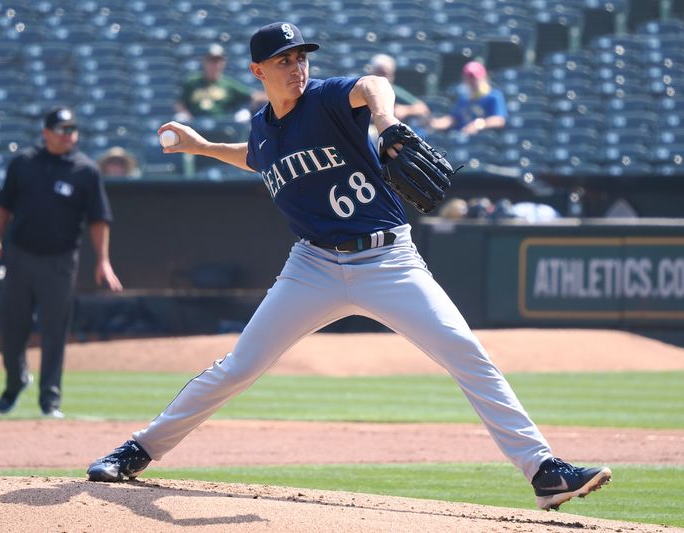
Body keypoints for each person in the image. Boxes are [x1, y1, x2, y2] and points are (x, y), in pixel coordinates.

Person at [86, 22, 611, 511]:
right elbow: (256, 155)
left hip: (389, 259)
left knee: (468, 355)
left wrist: (385, 121)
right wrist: (202, 147)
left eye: (299, 56)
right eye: (282, 60)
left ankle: (543, 471)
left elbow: (375, 83)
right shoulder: (265, 131)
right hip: (311, 267)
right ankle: (138, 449)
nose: (296, 67)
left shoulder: (328, 99)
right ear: (257, 72)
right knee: (238, 368)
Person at [0, 106, 123, 418]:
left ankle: (50, 399)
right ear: (46, 132)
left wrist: (103, 260)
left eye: (72, 130)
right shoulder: (23, 163)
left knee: (54, 331)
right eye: (62, 130)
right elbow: (3, 206)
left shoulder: (85, 170)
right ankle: (15, 380)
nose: (68, 136)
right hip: (20, 256)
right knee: (13, 329)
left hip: (60, 261)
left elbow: (98, 219)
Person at [175, 43, 268, 123]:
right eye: (211, 61)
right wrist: (185, 114)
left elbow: (253, 96)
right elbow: (179, 103)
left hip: (223, 125)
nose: (214, 65)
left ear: (223, 63)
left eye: (217, 61)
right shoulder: (192, 82)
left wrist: (277, 97)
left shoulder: (228, 84)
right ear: (204, 62)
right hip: (195, 124)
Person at [429, 61, 507, 135]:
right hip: (461, 137)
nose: (472, 81)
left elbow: (499, 120)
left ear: (483, 77)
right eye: (469, 78)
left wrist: (479, 124)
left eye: (474, 78)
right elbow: (453, 119)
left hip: (482, 140)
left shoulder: (493, 96)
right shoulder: (463, 99)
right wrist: (435, 123)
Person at [368, 53, 431, 123]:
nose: (382, 78)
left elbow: (422, 108)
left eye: (385, 74)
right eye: (379, 73)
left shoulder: (393, 91)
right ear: (371, 73)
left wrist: (405, 110)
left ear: (392, 76)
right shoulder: (361, 90)